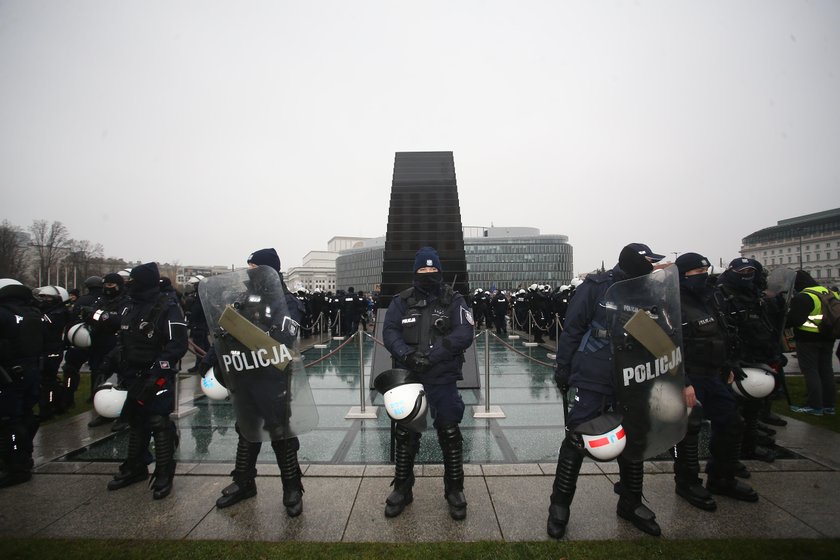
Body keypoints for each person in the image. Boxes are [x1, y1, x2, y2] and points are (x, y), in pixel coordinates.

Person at [547, 243, 666, 539]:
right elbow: (573, 327)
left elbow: (660, 333)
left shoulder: (648, 291)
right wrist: (564, 370)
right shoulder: (597, 287)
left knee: (635, 437)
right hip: (595, 372)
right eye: (648, 261)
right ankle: (559, 506)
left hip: (634, 375)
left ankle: (631, 502)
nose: (652, 266)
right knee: (578, 436)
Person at [197, 248, 308, 517]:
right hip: (244, 374)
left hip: (272, 377)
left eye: (254, 266)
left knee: (280, 432)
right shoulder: (242, 298)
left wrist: (256, 326)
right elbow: (224, 331)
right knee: (246, 430)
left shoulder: (286, 300)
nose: (249, 271)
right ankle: (243, 482)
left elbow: (286, 335)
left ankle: (292, 487)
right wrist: (210, 360)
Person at [381, 246, 474, 520]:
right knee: (405, 433)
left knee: (449, 432)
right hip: (409, 375)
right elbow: (390, 331)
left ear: (440, 271)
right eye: (423, 269)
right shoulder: (401, 300)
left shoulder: (454, 300)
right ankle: (402, 488)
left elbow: (464, 333)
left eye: (433, 270)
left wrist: (433, 356)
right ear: (415, 272)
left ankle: (454, 489)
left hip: (442, 375)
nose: (428, 274)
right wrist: (407, 355)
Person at [672, 252, 758, 512]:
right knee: (689, 428)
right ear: (682, 276)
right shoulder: (670, 302)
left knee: (732, 423)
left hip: (713, 373)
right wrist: (682, 381)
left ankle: (722, 477)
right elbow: (666, 345)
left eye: (705, 272)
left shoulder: (711, 298)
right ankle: (687, 482)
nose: (703, 277)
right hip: (689, 376)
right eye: (696, 274)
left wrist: (728, 363)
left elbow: (722, 333)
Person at [100, 262, 188, 500]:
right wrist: (110, 362)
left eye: (133, 281)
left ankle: (163, 472)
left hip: (155, 376)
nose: (129, 285)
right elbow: (124, 338)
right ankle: (135, 466)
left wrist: (158, 371)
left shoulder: (167, 307)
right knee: (136, 421)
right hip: (131, 374)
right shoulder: (129, 306)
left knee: (159, 422)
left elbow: (177, 344)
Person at [0, 278, 46, 487]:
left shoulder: (4, 314)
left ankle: (16, 466)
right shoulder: (34, 313)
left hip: (9, 372)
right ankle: (25, 455)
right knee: (26, 414)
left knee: (9, 420)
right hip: (31, 370)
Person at [786, 270, 836, 416]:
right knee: (826, 371)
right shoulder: (829, 292)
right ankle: (829, 405)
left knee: (811, 371)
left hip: (808, 339)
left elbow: (795, 320)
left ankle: (815, 406)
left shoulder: (804, 296)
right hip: (829, 337)